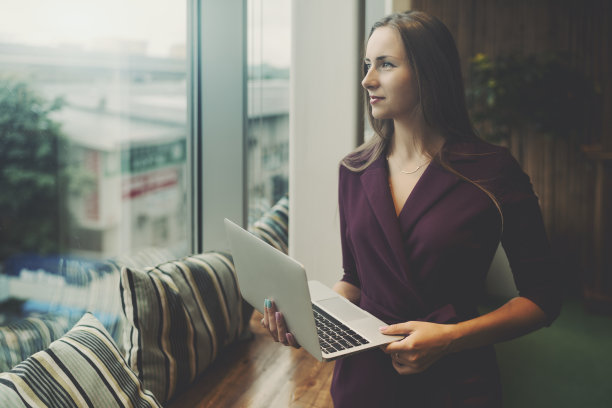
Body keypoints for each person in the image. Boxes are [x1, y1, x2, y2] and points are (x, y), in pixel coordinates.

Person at [262, 10, 562, 407]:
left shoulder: (492, 171)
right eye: (368, 65)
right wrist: (310, 319)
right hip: (363, 381)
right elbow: (354, 279)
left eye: (386, 64)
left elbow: (543, 297)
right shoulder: (354, 170)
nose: (368, 79)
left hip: (456, 383)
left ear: (429, 73)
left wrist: (452, 338)